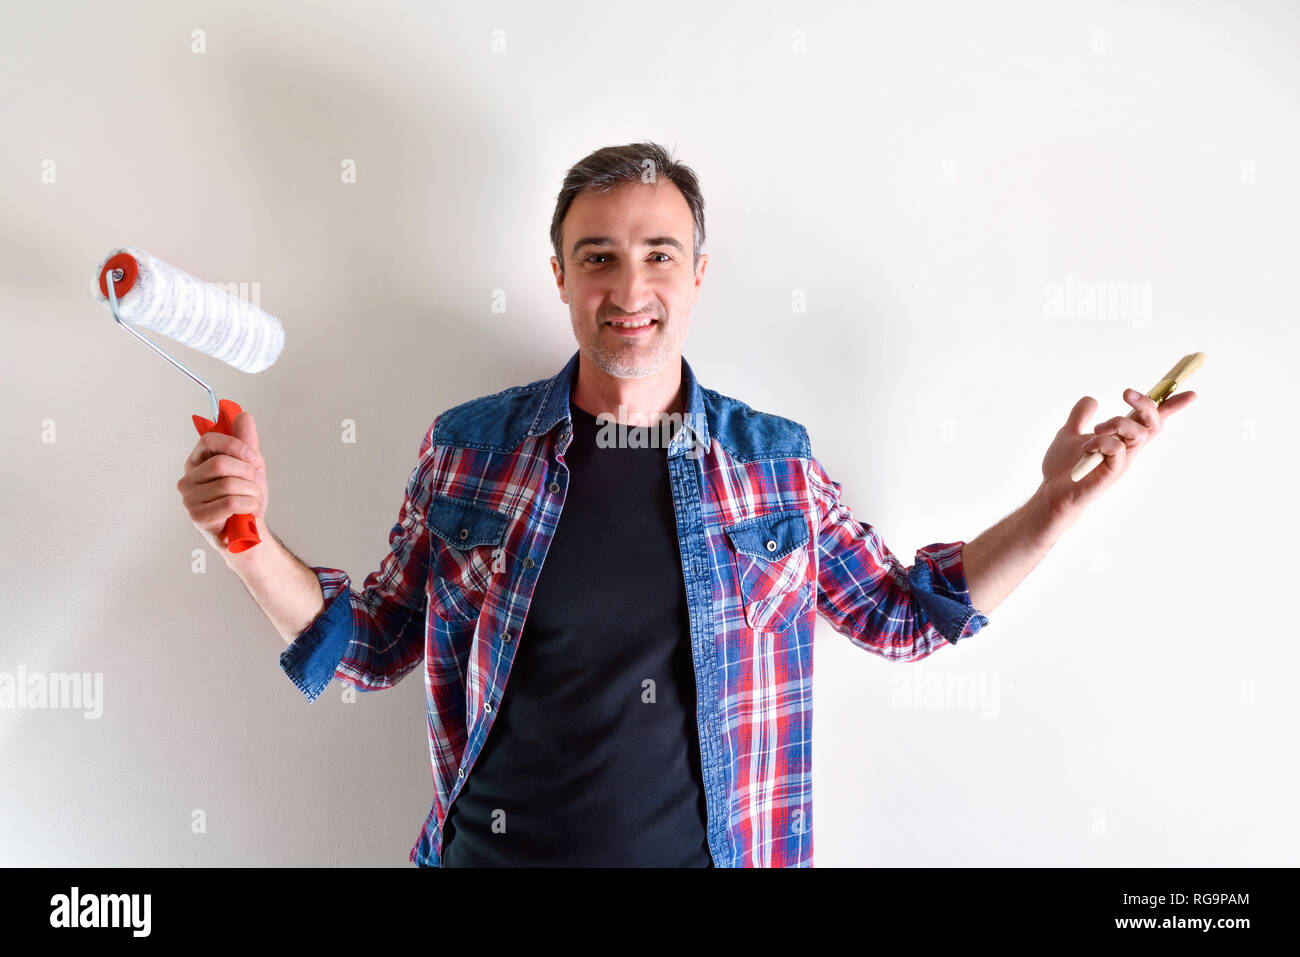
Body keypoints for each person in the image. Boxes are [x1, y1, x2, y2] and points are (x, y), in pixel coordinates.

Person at [175, 141, 1197, 867]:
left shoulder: (771, 464)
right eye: (600, 256)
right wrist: (246, 541)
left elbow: (900, 616)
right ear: (561, 278)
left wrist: (1053, 507)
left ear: (698, 274)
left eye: (659, 252)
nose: (631, 285)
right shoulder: (469, 450)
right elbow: (372, 647)